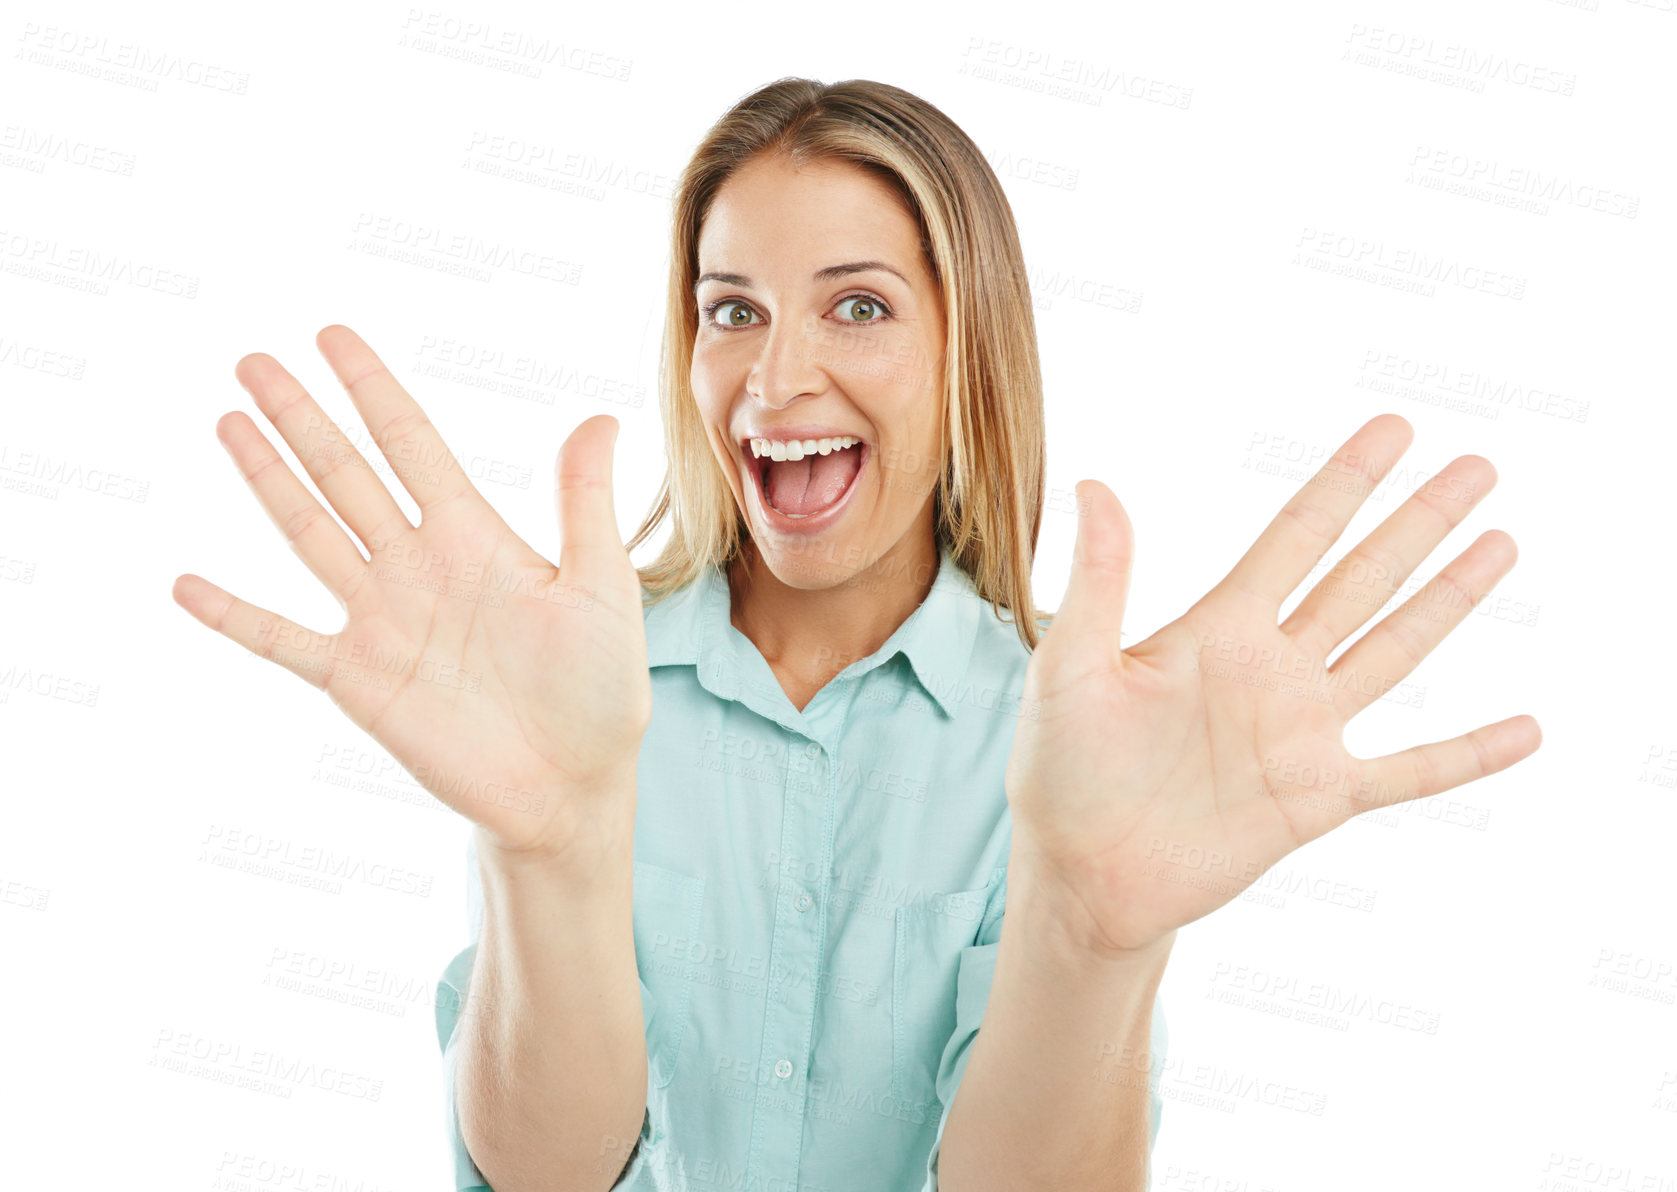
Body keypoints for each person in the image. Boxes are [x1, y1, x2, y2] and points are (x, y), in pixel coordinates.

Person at [173, 77, 1541, 1192]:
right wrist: (554, 841)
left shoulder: (1078, 734)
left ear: (971, 352)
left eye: (860, 306)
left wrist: (1088, 934)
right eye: (732, 312)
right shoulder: (574, 689)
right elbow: (540, 1176)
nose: (774, 378)